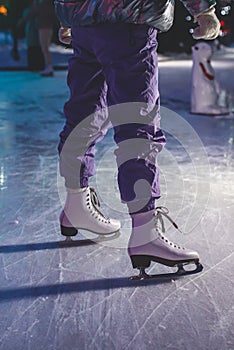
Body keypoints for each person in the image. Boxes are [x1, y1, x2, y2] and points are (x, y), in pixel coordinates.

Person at [54, 0, 220, 275]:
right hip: (129, 15)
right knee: (138, 123)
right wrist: (203, 10)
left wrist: (65, 13)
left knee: (85, 113)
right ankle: (145, 232)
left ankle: (76, 202)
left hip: (82, 18)